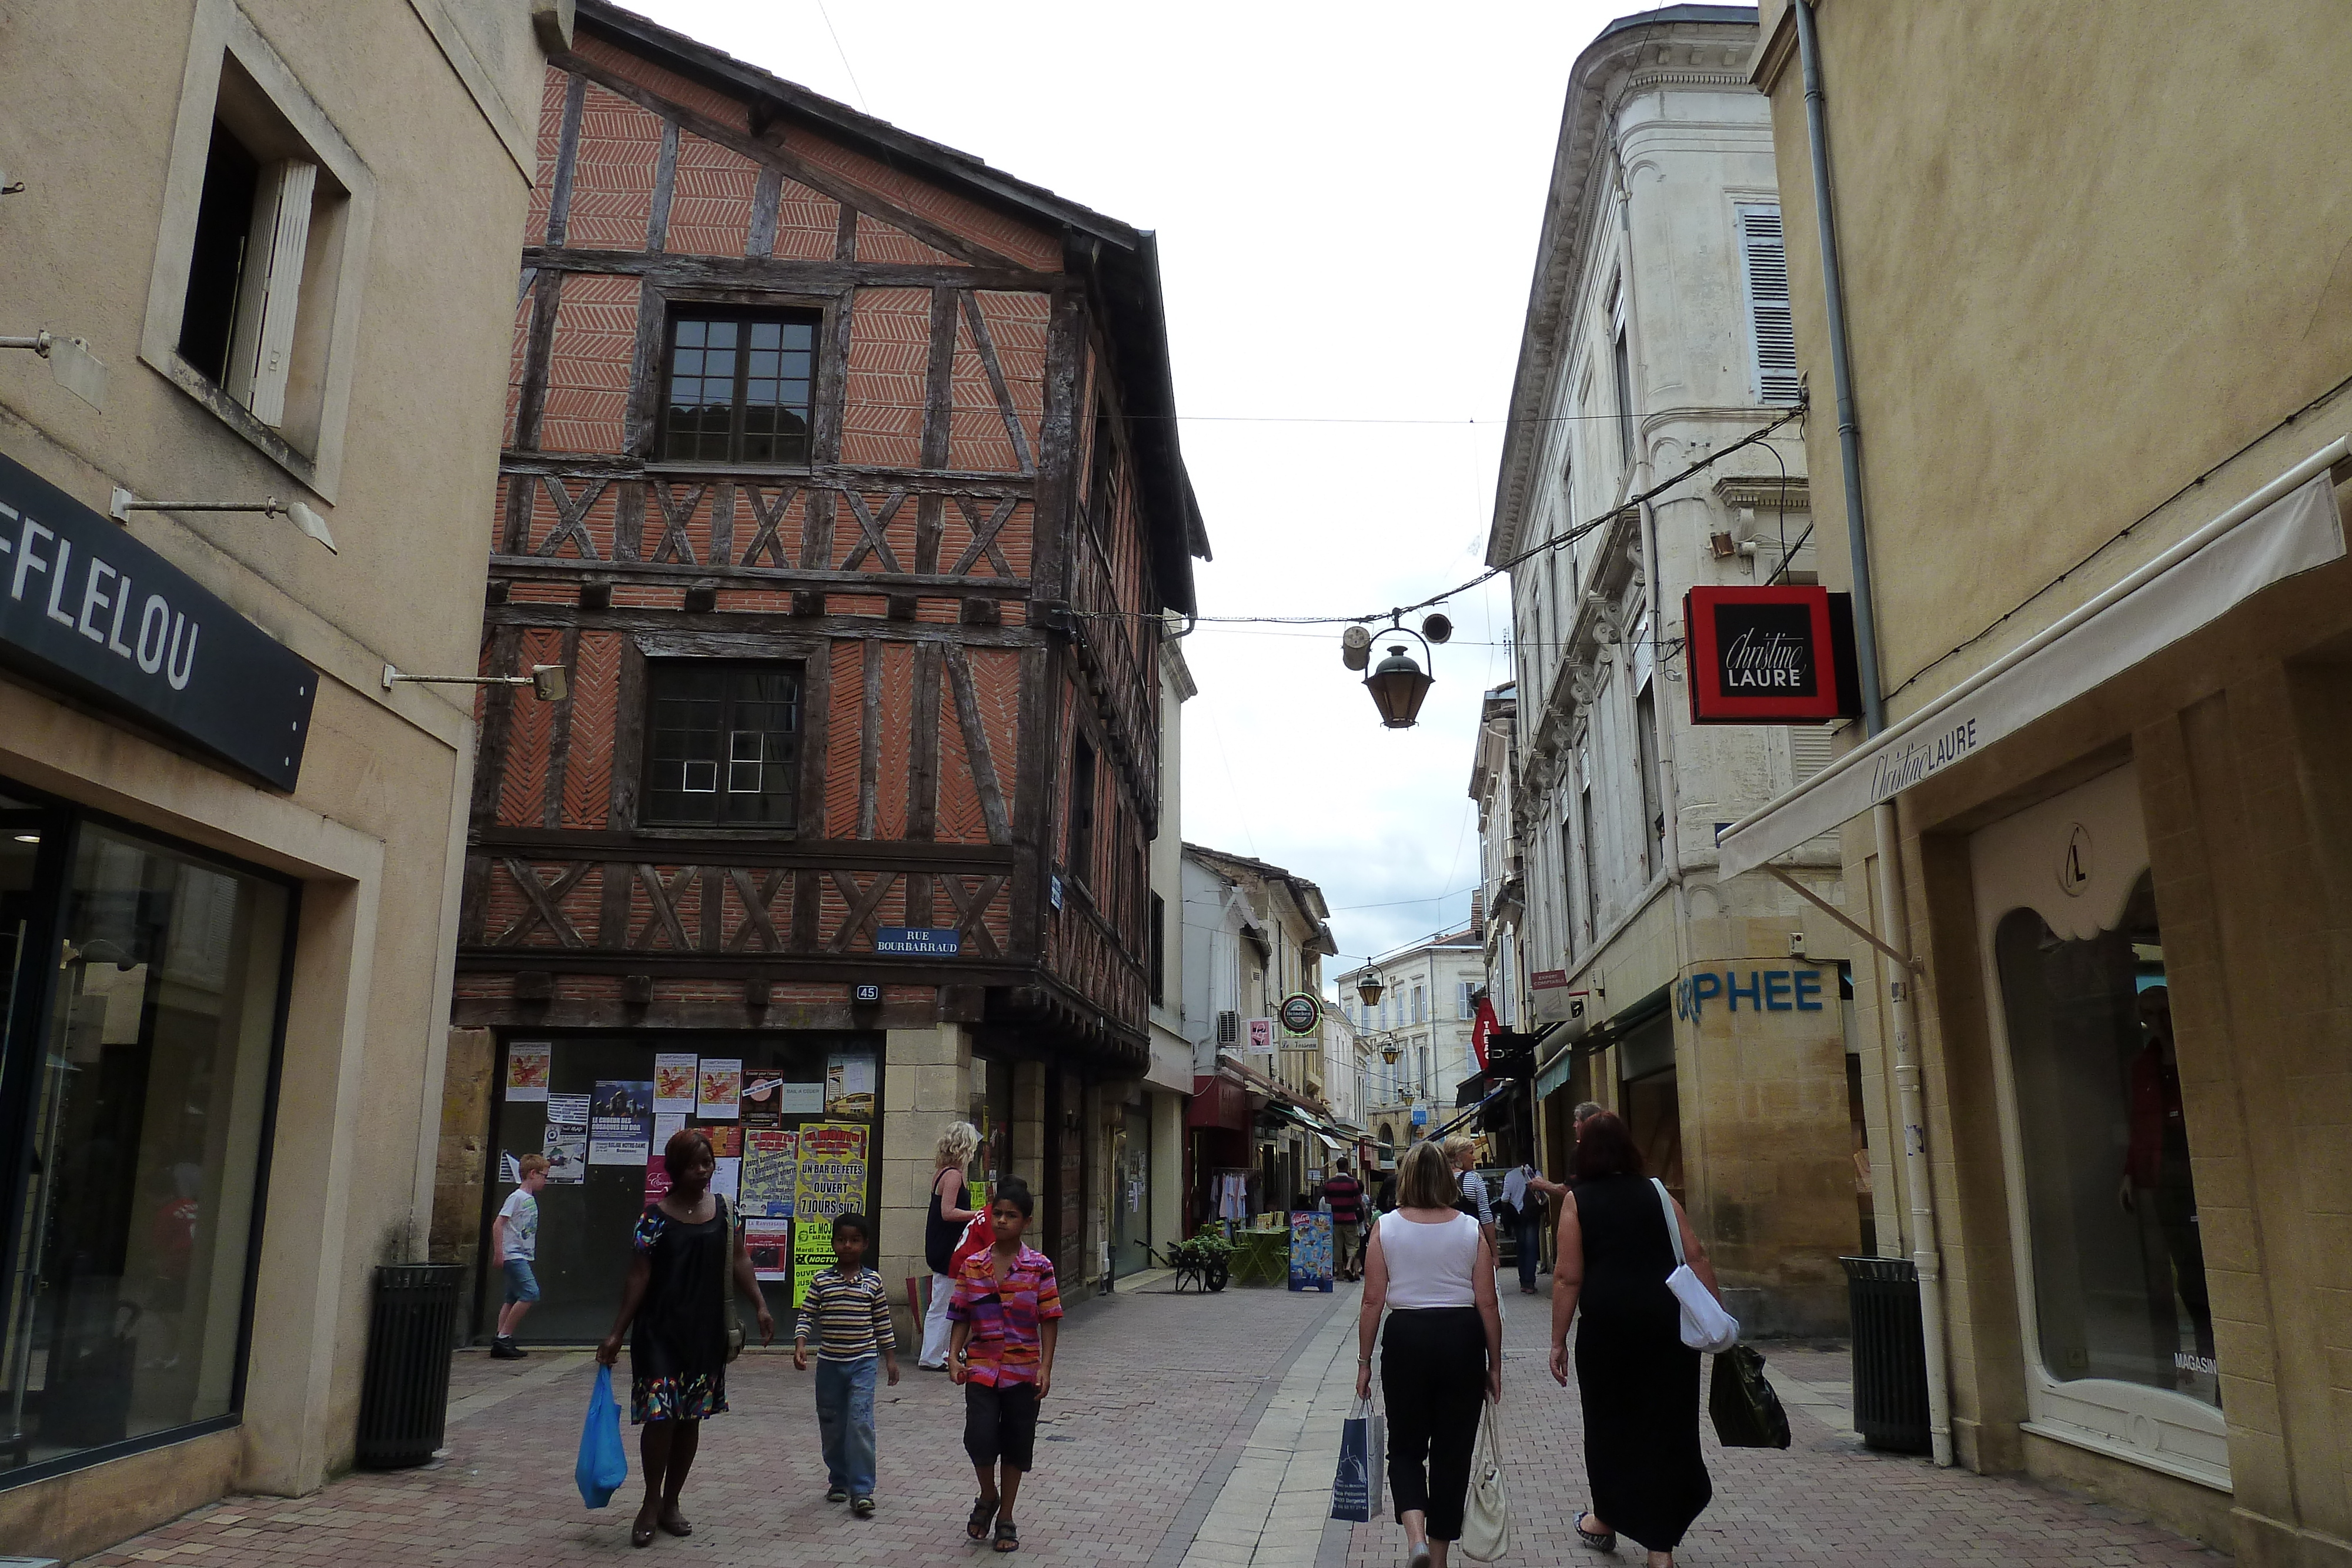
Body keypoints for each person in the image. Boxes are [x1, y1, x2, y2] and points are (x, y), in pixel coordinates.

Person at [1547, 1112, 1716, 1567]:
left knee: (1610, 1426)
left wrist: (1557, 1340)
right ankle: (1660, 1550)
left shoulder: (1577, 1201)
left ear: (1585, 1153)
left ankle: (1606, 1518)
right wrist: (1717, 1320)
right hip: (1668, 1329)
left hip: (1607, 1333)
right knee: (1667, 1427)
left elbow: (1566, 1277)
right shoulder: (1659, 1193)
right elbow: (1696, 1255)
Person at [597, 1127, 776, 1550]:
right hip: (659, 1331)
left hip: (704, 1331)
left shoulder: (725, 1211)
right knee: (660, 1417)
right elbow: (638, 1276)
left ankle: (672, 1502)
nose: (703, 1170)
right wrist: (617, 1332)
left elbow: (739, 1259)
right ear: (675, 1168)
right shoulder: (653, 1218)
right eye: (694, 1164)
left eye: (708, 1162)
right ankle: (650, 1501)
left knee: (690, 1417)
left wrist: (762, 1305)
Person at [1356, 1140, 1502, 1568]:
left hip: (1405, 1337)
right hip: (1461, 1337)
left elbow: (1371, 1301)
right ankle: (1437, 1558)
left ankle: (1416, 1537)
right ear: (1446, 1178)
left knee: (1404, 1447)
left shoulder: (1387, 1228)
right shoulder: (1470, 1228)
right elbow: (1488, 1303)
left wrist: (1364, 1362)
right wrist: (1494, 1363)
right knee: (1452, 1453)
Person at [948, 1176, 1062, 1554]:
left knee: (1016, 1443)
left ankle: (1007, 1515)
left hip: (1023, 1370)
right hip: (980, 1367)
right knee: (978, 1437)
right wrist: (953, 1354)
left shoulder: (1039, 1267)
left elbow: (1049, 1318)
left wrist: (1045, 1367)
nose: (1001, 1221)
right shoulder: (973, 1265)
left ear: (1026, 1221)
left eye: (1010, 1216)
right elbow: (961, 1313)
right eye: (996, 1213)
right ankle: (988, 1494)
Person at [795, 1211, 901, 1517]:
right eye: (841, 1240)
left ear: (865, 1244)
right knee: (832, 1425)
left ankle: (863, 1489)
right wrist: (801, 1344)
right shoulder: (821, 1281)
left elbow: (882, 1322)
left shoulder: (873, 1282)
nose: (847, 1246)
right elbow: (807, 1315)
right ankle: (838, 1480)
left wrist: (890, 1359)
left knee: (860, 1423)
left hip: (863, 1363)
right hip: (829, 1364)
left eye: (854, 1240)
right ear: (833, 1244)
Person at [921, 1122, 983, 1370]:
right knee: (945, 1302)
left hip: (940, 1244)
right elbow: (948, 1212)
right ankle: (934, 1355)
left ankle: (941, 1352)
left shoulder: (943, 1172)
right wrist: (977, 1214)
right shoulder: (954, 1176)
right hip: (947, 1248)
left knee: (943, 1300)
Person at [490, 1154, 550, 1358]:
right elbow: (499, 1224)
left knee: (512, 1297)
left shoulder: (528, 1198)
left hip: (522, 1254)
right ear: (532, 1174)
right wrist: (500, 1251)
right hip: (514, 1255)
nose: (545, 1181)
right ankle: (504, 1337)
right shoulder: (516, 1197)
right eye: (544, 1176)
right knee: (531, 1293)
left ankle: (501, 1338)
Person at [1501, 1158, 1566, 1295]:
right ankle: (1530, 1283)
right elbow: (1543, 1197)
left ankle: (1523, 1281)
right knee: (1531, 1248)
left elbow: (1505, 1199)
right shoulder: (1536, 1174)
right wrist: (1547, 1216)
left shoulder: (1510, 1176)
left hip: (1517, 1217)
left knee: (1521, 1248)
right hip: (1532, 1216)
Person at [1443, 1136, 1496, 1258]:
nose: (1474, 1158)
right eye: (1471, 1153)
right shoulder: (1473, 1179)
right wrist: (1494, 1253)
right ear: (1459, 1157)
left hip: (1444, 1244)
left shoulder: (1438, 1179)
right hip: (1472, 1241)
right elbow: (1485, 1215)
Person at [1323, 1159, 1367, 1282]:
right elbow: (1358, 1199)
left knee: (1337, 1246)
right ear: (1347, 1167)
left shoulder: (1329, 1183)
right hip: (1350, 1218)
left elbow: (1327, 1200)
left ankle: (1340, 1274)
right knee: (1352, 1244)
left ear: (1337, 1167)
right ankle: (1349, 1265)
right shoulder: (1352, 1182)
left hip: (1335, 1219)